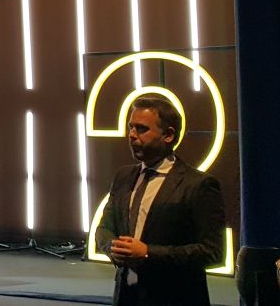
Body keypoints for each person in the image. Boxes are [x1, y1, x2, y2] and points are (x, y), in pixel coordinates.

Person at [95, 96, 225, 306]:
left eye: (141, 129)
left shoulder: (199, 185)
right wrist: (112, 247)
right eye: (130, 127)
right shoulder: (123, 177)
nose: (131, 135)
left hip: (176, 298)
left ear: (168, 135)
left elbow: (212, 252)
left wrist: (148, 253)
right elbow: (104, 228)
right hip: (126, 296)